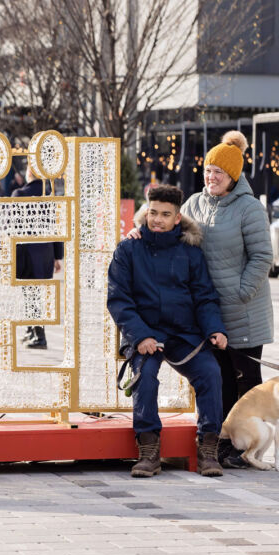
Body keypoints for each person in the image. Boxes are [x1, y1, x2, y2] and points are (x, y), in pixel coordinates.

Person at [127, 131, 274, 468]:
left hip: (243, 310)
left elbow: (262, 255)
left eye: (218, 173)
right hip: (207, 311)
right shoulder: (195, 202)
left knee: (246, 380)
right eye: (208, 171)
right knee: (217, 376)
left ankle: (244, 446)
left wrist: (240, 292)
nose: (211, 178)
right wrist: (138, 228)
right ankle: (221, 441)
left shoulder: (248, 208)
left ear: (232, 176)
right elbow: (167, 226)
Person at [107, 185, 228, 478]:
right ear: (146, 212)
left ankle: (208, 449)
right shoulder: (128, 249)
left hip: (185, 334)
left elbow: (204, 297)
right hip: (146, 334)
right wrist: (140, 336)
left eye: (165, 214)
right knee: (145, 377)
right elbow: (118, 299)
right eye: (153, 213)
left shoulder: (190, 252)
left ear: (177, 218)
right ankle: (149, 450)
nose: (157, 220)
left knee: (211, 373)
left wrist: (214, 329)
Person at [11, 164, 63, 349]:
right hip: (45, 254)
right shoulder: (50, 197)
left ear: (30, 172)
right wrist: (58, 256)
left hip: (25, 253)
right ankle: (31, 331)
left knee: (30, 295)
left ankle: (39, 336)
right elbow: (57, 227)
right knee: (36, 295)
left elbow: (12, 226)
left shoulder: (19, 194)